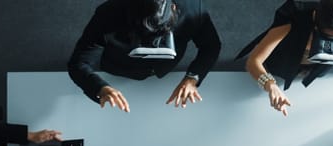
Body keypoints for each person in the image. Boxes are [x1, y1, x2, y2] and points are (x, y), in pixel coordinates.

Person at [68, 0, 221, 112]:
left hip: (164, 74)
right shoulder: (108, 14)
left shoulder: (192, 9)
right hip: (119, 68)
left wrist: (192, 78)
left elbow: (211, 45)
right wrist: (100, 88)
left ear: (174, 7)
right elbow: (78, 63)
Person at [236, 0, 333, 117]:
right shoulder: (295, 16)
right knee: (275, 69)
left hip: (318, 67)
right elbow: (254, 61)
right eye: (328, 37)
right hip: (285, 58)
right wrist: (270, 85)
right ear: (314, 19)